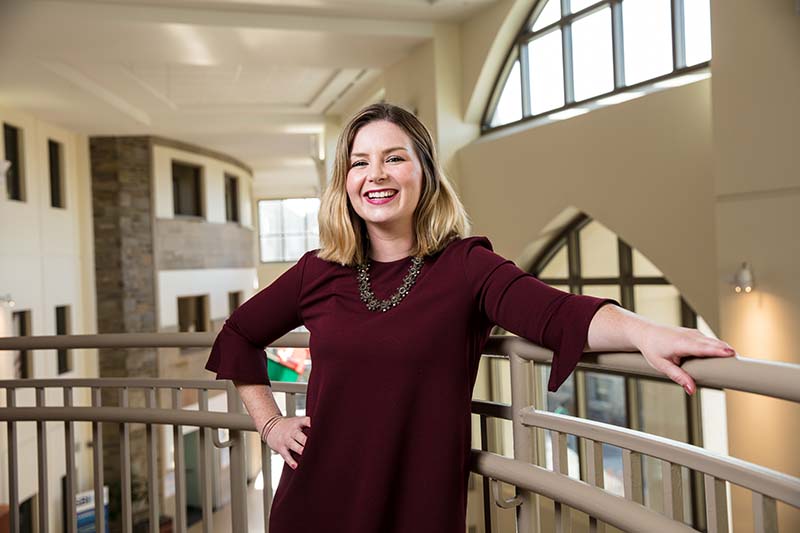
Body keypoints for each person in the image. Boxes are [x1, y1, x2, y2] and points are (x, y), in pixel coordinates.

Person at [205, 103, 737, 532]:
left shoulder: (466, 266)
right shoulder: (317, 272)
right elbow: (240, 334)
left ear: (425, 174)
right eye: (359, 162)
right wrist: (271, 423)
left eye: (394, 158)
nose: (375, 175)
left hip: (417, 507)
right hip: (315, 501)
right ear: (345, 180)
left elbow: (555, 313)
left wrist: (643, 331)